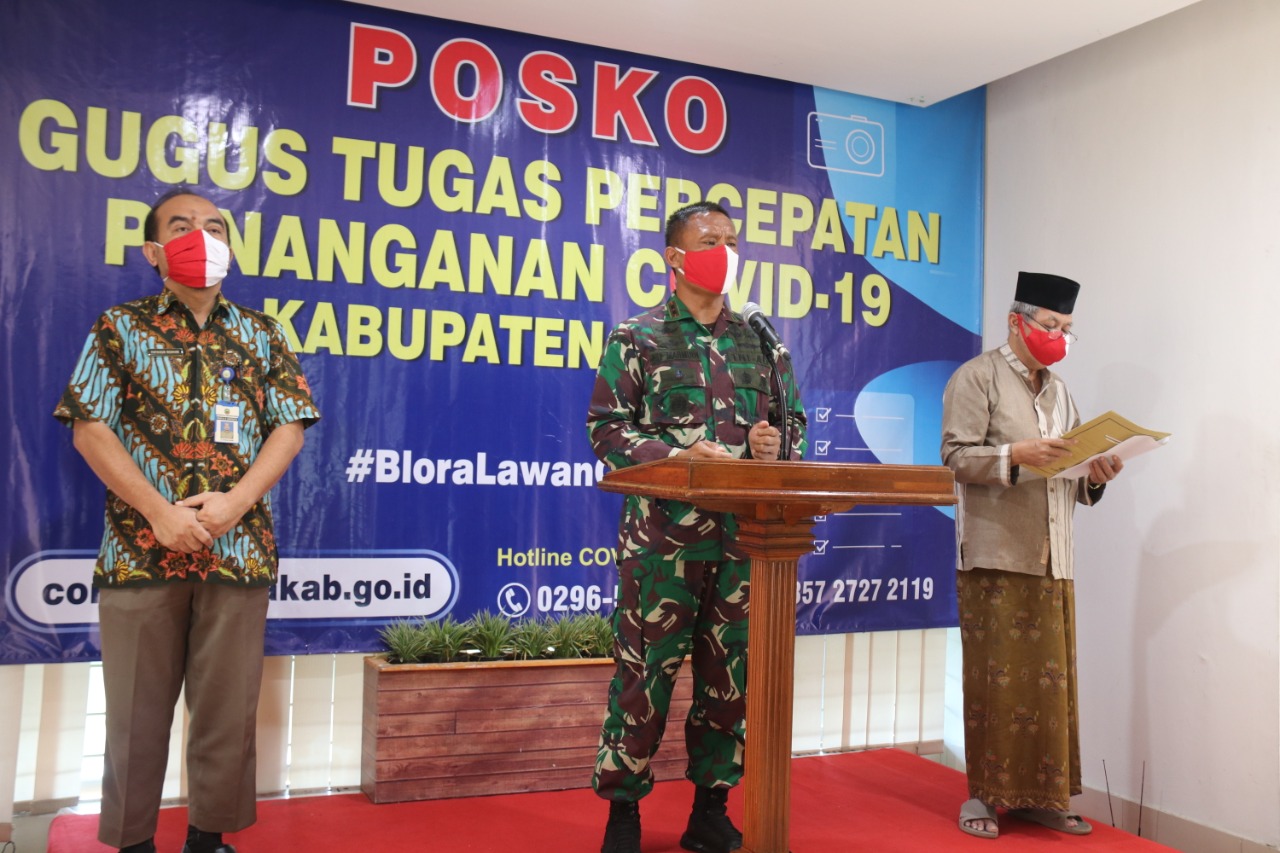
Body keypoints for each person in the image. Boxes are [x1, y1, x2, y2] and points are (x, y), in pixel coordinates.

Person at [54, 188, 320, 853]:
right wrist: (158, 513)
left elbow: (289, 429)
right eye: (182, 226)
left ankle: (208, 838)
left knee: (227, 713)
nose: (202, 237)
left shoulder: (263, 332)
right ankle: (133, 842)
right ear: (154, 251)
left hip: (238, 549)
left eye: (214, 227)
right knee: (134, 716)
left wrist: (235, 503)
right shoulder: (119, 326)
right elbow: (89, 428)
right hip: (140, 550)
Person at [586, 201, 807, 853]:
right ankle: (623, 814)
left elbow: (793, 425)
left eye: (732, 241)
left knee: (728, 682)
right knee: (643, 679)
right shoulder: (638, 337)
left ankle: (711, 809)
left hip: (743, 543)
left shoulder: (763, 341)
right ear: (674, 258)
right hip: (662, 545)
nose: (726, 252)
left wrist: (772, 447)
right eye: (711, 241)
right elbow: (607, 431)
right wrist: (683, 454)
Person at [940, 271, 1122, 840]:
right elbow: (954, 458)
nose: (1059, 337)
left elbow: (1071, 471)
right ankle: (983, 796)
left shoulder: (1061, 392)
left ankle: (1042, 798)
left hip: (1054, 556)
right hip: (996, 555)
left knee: (1050, 686)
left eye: (1067, 328)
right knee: (995, 686)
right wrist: (1014, 454)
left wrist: (1097, 474)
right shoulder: (977, 377)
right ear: (1016, 322)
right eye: (1050, 324)